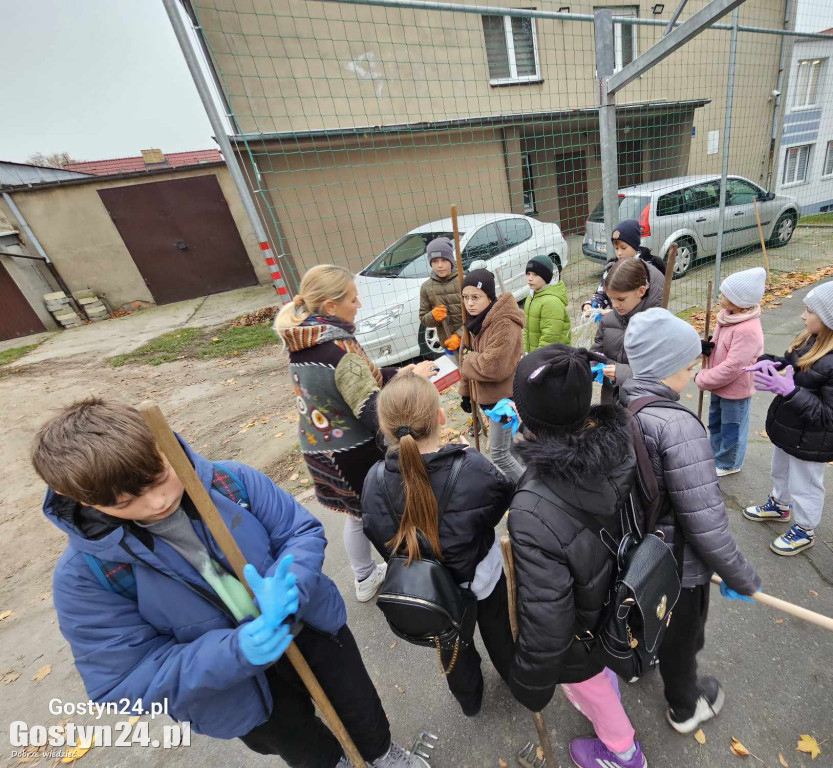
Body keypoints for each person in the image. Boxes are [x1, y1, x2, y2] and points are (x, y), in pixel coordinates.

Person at [32, 398, 425, 768]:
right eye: (124, 502)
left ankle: (381, 754)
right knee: (301, 743)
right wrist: (235, 650)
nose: (156, 502)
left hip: (310, 628)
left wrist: (290, 581)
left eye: (159, 476)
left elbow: (299, 532)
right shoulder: (85, 576)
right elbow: (120, 680)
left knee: (357, 705)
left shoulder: (230, 482)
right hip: (231, 685)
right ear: (79, 499)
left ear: (161, 444)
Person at [620, 308, 761, 735]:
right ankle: (686, 705)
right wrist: (741, 576)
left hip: (640, 551)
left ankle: (643, 658)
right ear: (666, 369)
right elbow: (707, 523)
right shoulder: (679, 427)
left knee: (651, 619)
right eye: (687, 367)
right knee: (685, 633)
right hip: (677, 564)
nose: (692, 373)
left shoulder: (625, 402)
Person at [506, 345, 647, 768]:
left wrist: (531, 682)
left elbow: (547, 616)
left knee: (588, 683)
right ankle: (609, 681)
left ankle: (623, 752)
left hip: (583, 629)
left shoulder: (531, 509)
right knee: (599, 675)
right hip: (620, 590)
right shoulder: (625, 437)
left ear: (523, 414)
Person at [274, 265, 435, 602]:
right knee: (379, 512)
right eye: (352, 298)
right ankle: (410, 580)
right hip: (352, 452)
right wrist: (410, 395)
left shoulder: (304, 340)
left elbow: (360, 377)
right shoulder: (339, 350)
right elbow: (370, 408)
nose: (358, 304)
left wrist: (400, 372)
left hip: (321, 448)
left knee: (357, 515)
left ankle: (364, 575)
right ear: (331, 306)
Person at [361, 373, 516, 716]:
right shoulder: (472, 467)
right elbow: (502, 500)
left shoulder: (372, 481)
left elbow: (376, 532)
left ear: (384, 428)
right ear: (440, 416)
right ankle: (513, 677)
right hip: (482, 579)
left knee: (451, 647)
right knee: (500, 632)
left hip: (431, 594)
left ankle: (469, 701)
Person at [743, 276, 833, 556]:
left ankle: (805, 529)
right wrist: (772, 361)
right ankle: (779, 504)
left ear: (828, 318)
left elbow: (832, 416)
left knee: (806, 485)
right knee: (781, 471)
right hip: (791, 428)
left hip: (812, 440)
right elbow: (796, 364)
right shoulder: (812, 340)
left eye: (809, 311)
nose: (802, 315)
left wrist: (788, 391)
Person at [695, 267, 767, 477]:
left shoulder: (748, 330)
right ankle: (715, 453)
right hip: (719, 384)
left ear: (739, 300)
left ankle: (729, 462)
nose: (720, 296)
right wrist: (709, 347)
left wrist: (704, 378)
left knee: (731, 428)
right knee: (715, 421)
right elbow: (721, 347)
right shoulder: (727, 317)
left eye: (724, 294)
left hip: (735, 388)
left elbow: (734, 366)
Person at [458, 267, 526, 481]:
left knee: (499, 454)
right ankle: (526, 478)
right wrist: (465, 393)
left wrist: (469, 360)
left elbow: (494, 367)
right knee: (513, 447)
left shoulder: (504, 323)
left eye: (476, 297)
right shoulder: (472, 323)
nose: (470, 303)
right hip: (488, 401)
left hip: (505, 401)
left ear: (489, 297)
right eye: (466, 298)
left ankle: (529, 490)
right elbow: (465, 360)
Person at [592, 259, 663, 389]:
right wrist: (591, 364)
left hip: (642, 401)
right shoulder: (608, 320)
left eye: (620, 299)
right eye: (611, 299)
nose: (614, 305)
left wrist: (621, 373)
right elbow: (597, 350)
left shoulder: (658, 325)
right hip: (611, 397)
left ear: (641, 291)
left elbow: (660, 374)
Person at [585, 220, 666, 314]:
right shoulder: (612, 269)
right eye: (616, 248)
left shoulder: (648, 270)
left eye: (623, 248)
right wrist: (592, 305)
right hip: (618, 321)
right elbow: (602, 293)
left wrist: (613, 314)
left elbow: (652, 302)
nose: (619, 253)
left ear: (635, 245)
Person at [418, 237, 465, 354]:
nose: (440, 265)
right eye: (435, 261)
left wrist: (459, 335)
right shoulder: (426, 287)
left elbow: (476, 315)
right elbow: (424, 319)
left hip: (471, 340)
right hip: (449, 344)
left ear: (451, 260)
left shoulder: (464, 281)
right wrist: (433, 316)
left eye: (444, 260)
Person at [522, 254, 571, 353]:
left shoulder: (551, 302)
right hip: (534, 355)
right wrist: (524, 351)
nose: (530, 278)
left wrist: (536, 359)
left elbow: (550, 337)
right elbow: (526, 328)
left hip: (551, 358)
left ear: (546, 276)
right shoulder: (532, 296)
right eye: (528, 273)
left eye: (535, 274)